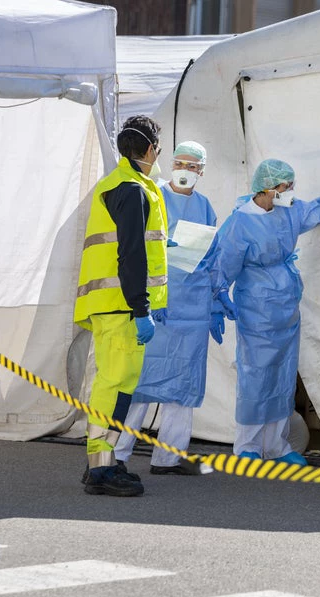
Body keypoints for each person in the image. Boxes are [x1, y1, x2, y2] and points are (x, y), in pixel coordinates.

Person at [213, 159, 320, 465]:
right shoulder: (241, 223)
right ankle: (247, 445)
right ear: (267, 188)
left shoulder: (289, 211)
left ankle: (275, 445)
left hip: (286, 308)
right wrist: (219, 295)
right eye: (285, 186)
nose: (291, 191)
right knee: (256, 376)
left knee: (283, 378)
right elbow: (223, 263)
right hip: (257, 309)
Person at [74, 115, 168, 497]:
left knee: (115, 384)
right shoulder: (132, 190)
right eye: (158, 150)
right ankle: (100, 468)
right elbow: (131, 255)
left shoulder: (120, 185)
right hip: (122, 306)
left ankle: (103, 459)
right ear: (148, 150)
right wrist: (141, 308)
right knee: (115, 387)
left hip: (112, 303)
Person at [113, 140, 219, 476]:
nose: (186, 171)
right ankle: (116, 455)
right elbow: (132, 246)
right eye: (181, 163)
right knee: (140, 382)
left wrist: (216, 299)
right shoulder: (151, 195)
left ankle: (169, 457)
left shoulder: (205, 207)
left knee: (182, 386)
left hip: (191, 307)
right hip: (154, 303)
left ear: (202, 171)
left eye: (193, 166)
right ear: (170, 163)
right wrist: (145, 300)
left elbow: (211, 256)